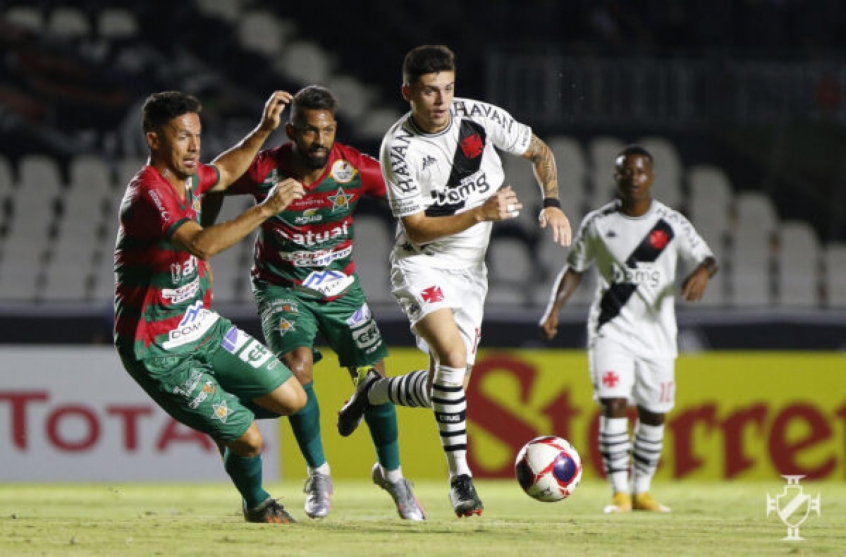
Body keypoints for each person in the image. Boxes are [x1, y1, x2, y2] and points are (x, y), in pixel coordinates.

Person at [337, 44, 572, 517]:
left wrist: (552, 201)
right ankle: (460, 480)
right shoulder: (399, 148)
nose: (441, 100)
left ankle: (374, 391)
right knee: (453, 356)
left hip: (472, 274)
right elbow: (419, 226)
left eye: (447, 88)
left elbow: (539, 151)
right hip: (421, 263)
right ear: (408, 93)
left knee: (449, 385)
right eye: (429, 91)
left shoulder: (480, 118)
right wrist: (482, 211)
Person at [202, 85, 425, 521]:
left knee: (374, 378)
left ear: (334, 130)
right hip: (282, 288)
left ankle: (394, 475)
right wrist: (200, 240)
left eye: (325, 131)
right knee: (297, 368)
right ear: (291, 132)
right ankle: (318, 473)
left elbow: (409, 196)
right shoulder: (266, 167)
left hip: (342, 291)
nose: (318, 140)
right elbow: (216, 180)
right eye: (308, 132)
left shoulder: (355, 168)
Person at [114, 90, 308, 524]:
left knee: (293, 396)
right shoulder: (149, 195)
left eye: (197, 136)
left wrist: (263, 131)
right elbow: (201, 244)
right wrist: (267, 208)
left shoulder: (189, 177)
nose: (194, 146)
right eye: (182, 136)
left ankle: (225, 417)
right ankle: (257, 503)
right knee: (251, 441)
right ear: (154, 140)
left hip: (200, 325)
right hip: (158, 347)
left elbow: (224, 171)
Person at [537, 144, 718, 514]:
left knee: (653, 413)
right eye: (626, 171)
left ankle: (642, 491)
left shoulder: (671, 224)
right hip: (611, 330)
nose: (633, 178)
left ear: (651, 177)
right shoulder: (598, 223)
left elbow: (708, 257)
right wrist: (554, 307)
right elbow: (575, 269)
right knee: (614, 404)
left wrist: (701, 272)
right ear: (616, 177)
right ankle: (619, 493)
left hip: (658, 334)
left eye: (640, 172)